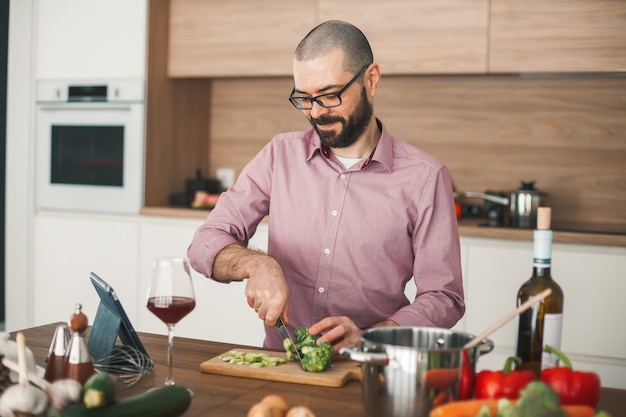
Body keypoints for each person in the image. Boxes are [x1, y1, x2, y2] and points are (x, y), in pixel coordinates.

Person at [188, 20, 464, 354]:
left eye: (330, 96)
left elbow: (444, 297)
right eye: (304, 98)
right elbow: (205, 243)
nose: (316, 112)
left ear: (371, 80)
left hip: (371, 369)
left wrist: (372, 336)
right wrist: (259, 265)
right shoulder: (279, 155)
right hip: (282, 366)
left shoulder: (426, 177)